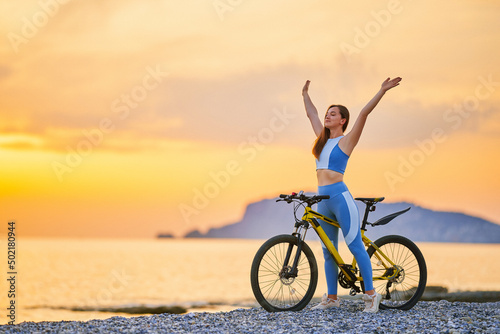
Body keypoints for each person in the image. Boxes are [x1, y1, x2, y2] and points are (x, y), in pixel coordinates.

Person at [302, 77, 402, 313]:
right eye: (328, 113)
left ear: (343, 120)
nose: (328, 116)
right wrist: (304, 94)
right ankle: (332, 298)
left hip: (340, 197)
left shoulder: (346, 141)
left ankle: (371, 297)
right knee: (328, 252)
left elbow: (364, 114)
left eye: (333, 114)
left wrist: (382, 91)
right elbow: (311, 114)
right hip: (322, 201)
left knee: (355, 245)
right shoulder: (321, 139)